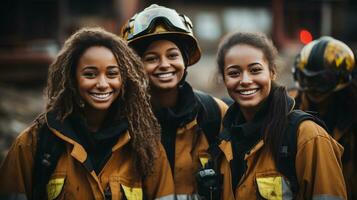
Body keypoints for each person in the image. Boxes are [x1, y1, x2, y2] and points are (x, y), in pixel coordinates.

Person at [0, 27, 174, 200]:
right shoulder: (34, 143)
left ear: (124, 79)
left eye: (112, 74)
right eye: (90, 74)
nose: (102, 84)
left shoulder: (146, 147)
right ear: (72, 79)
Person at [215, 32, 347, 199]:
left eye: (255, 70)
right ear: (223, 78)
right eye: (234, 73)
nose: (246, 80)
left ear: (272, 72)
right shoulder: (221, 140)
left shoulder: (308, 137)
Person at [121, 4, 228, 199]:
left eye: (172, 55)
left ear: (185, 60)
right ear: (136, 66)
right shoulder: (122, 120)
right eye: (151, 58)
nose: (164, 65)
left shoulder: (213, 113)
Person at [293, 36, 357, 199]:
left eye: (322, 80)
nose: (314, 87)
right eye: (307, 79)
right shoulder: (289, 108)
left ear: (342, 78)